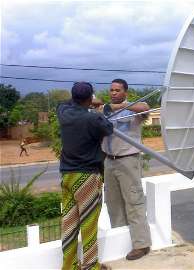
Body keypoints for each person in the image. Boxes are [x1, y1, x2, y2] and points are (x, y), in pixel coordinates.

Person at [57, 82, 113, 270]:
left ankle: (69, 266)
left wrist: (89, 102)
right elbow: (109, 128)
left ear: (73, 97)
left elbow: (64, 103)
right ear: (90, 99)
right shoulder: (93, 119)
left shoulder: (63, 113)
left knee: (69, 223)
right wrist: (96, 108)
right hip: (87, 177)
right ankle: (91, 266)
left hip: (67, 176)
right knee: (88, 223)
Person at [100, 79, 152, 260]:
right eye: (111, 90)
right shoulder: (104, 111)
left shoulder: (133, 110)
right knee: (114, 204)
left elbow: (145, 106)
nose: (113, 93)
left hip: (128, 160)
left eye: (117, 90)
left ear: (125, 92)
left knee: (134, 202)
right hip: (109, 161)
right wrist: (107, 108)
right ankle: (120, 242)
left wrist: (119, 107)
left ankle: (142, 245)